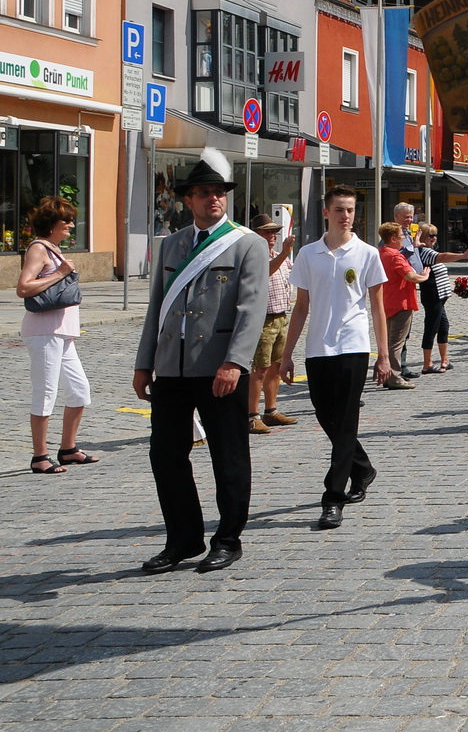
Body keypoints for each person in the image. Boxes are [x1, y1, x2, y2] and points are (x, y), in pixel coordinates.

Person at [133, 149, 268, 573]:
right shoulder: (172, 244)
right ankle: (183, 539)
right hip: (172, 367)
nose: (213, 199)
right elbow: (156, 307)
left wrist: (235, 363)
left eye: (218, 192)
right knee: (166, 455)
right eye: (204, 193)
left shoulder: (248, 244)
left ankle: (228, 538)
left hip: (220, 369)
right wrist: (144, 363)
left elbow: (251, 310)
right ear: (187, 200)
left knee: (228, 456)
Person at [284, 185, 392, 530]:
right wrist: (287, 356)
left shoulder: (366, 254)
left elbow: (377, 308)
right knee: (327, 417)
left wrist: (384, 356)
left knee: (345, 422)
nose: (347, 216)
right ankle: (362, 468)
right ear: (326, 212)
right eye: (340, 210)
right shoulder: (308, 254)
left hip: (354, 345)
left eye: (351, 210)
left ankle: (333, 498)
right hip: (318, 348)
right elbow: (301, 308)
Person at [18, 197, 96, 474]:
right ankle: (40, 456)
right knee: (45, 392)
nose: (72, 225)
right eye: (67, 221)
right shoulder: (39, 249)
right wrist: (61, 273)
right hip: (44, 332)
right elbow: (24, 287)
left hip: (61, 333)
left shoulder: (53, 249)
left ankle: (68, 449)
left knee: (79, 390)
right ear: (52, 224)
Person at [247, 216, 298, 434]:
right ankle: (252, 415)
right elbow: (264, 272)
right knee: (260, 368)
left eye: (274, 232)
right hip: (262, 319)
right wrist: (286, 253)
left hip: (281, 317)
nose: (272, 236)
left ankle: (271, 410)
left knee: (276, 366)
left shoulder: (280, 257)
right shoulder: (252, 257)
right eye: (266, 232)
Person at [413, 223, 468, 375]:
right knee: (431, 328)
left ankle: (444, 359)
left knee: (443, 327)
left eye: (435, 235)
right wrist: (462, 256)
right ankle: (427, 363)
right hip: (433, 296)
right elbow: (443, 257)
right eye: (430, 235)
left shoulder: (428, 250)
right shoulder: (424, 252)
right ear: (422, 237)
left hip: (440, 297)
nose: (433, 238)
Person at [377, 222, 426, 386]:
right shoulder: (395, 255)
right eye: (401, 236)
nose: (403, 239)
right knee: (396, 343)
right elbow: (410, 276)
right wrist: (424, 276)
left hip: (386, 301)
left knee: (389, 341)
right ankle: (394, 377)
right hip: (401, 302)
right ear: (393, 239)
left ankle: (387, 375)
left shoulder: (380, 253)